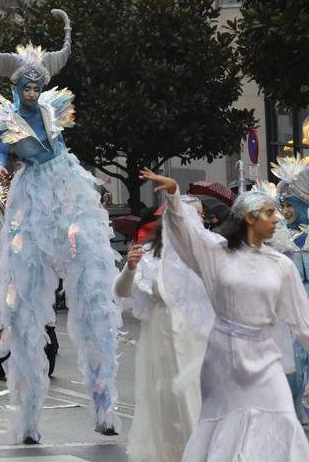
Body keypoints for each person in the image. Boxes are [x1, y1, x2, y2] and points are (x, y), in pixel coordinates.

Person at [0, 9, 122, 443]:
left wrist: (68, 28)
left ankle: (104, 407)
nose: (33, 91)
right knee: (24, 306)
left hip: (68, 189)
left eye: (38, 85)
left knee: (93, 292)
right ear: (15, 89)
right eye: (26, 86)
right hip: (31, 202)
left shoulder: (53, 109)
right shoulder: (7, 121)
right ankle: (29, 418)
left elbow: (62, 143)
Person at [141, 168, 309, 460]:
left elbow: (303, 322)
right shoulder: (216, 253)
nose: (277, 218)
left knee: (280, 417)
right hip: (224, 361)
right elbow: (186, 235)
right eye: (269, 212)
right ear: (249, 218)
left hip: (266, 359)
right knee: (226, 426)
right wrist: (174, 196)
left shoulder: (281, 265)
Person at [113, 197, 216, 462]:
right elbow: (121, 293)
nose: (198, 220)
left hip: (199, 340)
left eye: (201, 215)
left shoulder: (209, 254)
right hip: (162, 341)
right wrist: (130, 268)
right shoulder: (149, 254)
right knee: (168, 404)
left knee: (198, 400)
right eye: (192, 214)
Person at [270, 156, 309, 424]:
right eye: (282, 205)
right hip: (292, 306)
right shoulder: (282, 236)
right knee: (294, 356)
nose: (285, 211)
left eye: (290, 205)